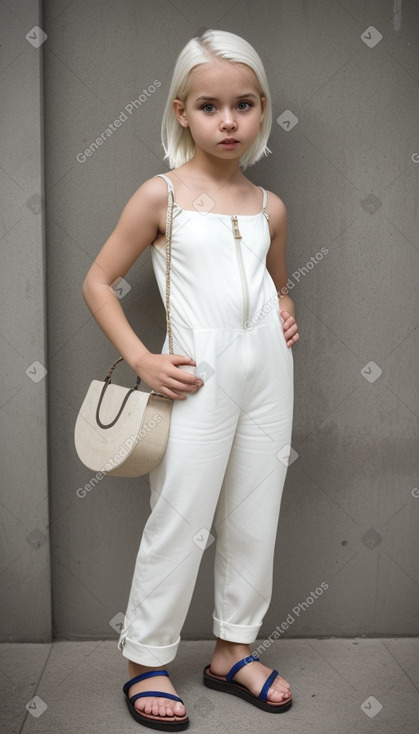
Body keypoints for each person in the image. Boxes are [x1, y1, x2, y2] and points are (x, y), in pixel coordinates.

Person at [82, 28, 299, 732]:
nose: (228, 120)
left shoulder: (269, 207)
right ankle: (146, 659)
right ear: (181, 112)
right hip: (194, 377)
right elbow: (98, 282)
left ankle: (232, 651)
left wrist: (285, 311)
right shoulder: (161, 197)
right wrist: (144, 360)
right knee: (178, 517)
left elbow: (277, 285)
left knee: (254, 514)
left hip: (269, 372)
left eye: (243, 104)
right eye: (209, 106)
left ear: (262, 109)